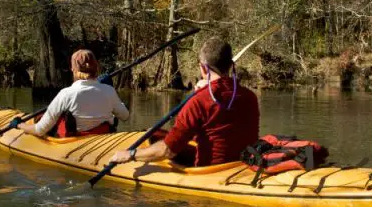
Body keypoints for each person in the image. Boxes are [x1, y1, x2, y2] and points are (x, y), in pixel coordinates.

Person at [108, 37, 259, 167]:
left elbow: (168, 150)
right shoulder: (250, 96)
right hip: (242, 165)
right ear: (231, 66)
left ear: (203, 68)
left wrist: (132, 154)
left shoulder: (198, 101)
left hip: (210, 172)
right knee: (156, 133)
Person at [17, 49, 129, 137]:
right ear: (96, 68)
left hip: (76, 141)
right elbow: (125, 116)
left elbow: (40, 130)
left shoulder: (66, 94)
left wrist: (20, 125)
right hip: (103, 137)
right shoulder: (108, 90)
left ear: (73, 69)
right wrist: (109, 91)